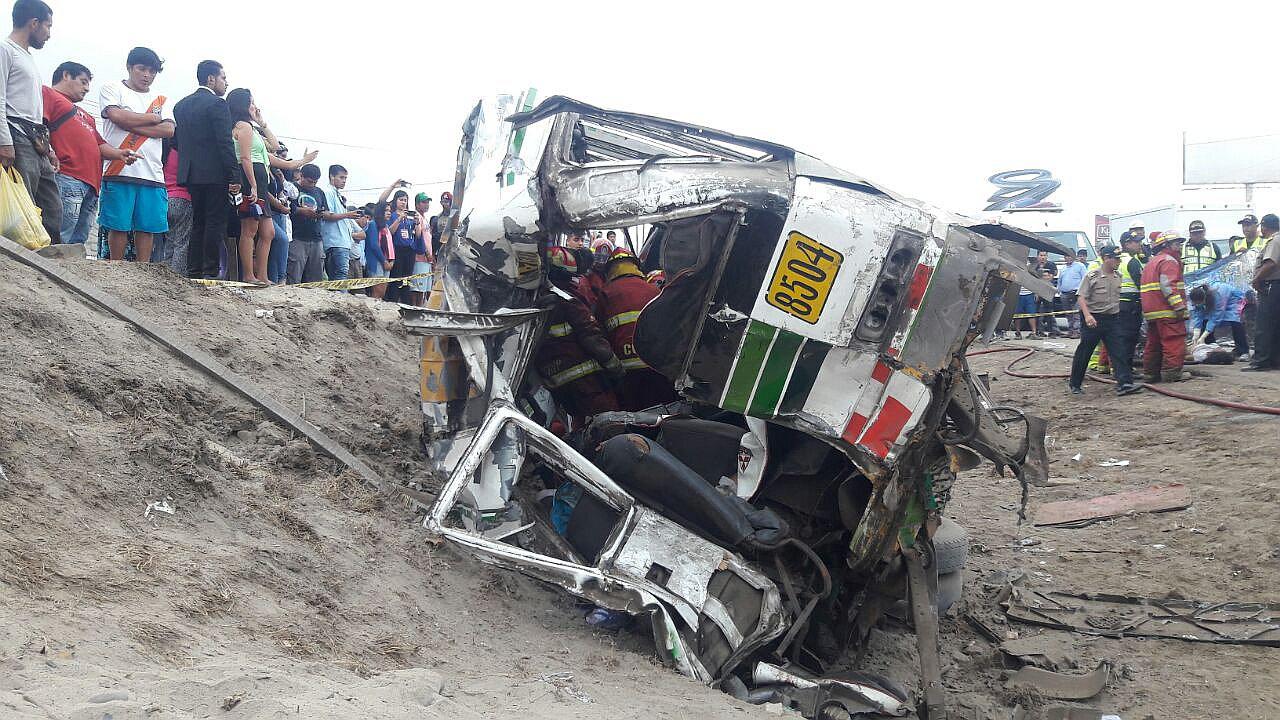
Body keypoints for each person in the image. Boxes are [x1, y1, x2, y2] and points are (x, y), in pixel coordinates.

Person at [43, 61, 138, 245]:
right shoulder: (48, 94)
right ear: (65, 75)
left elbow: (99, 144)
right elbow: (39, 125)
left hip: (92, 183)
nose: (87, 89)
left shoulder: (85, 115)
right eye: (83, 81)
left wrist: (120, 154)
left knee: (79, 239)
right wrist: (48, 152)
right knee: (62, 234)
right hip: (67, 175)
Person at [98, 47, 173, 262]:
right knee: (117, 225)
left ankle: (143, 271)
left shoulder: (160, 100)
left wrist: (130, 122)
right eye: (141, 69)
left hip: (152, 173)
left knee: (147, 227)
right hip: (119, 169)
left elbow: (168, 130)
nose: (147, 75)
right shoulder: (112, 88)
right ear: (130, 67)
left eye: (152, 71)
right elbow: (115, 115)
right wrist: (152, 119)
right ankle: (116, 268)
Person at [536, 245, 624, 422]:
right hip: (587, 382)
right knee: (610, 424)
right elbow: (591, 335)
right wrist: (615, 366)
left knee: (580, 427)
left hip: (556, 385)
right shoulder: (567, 301)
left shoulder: (535, 301)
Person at [173, 60, 239, 278]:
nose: (226, 82)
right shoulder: (218, 104)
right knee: (214, 222)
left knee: (198, 221)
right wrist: (234, 174)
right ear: (211, 78)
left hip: (190, 173)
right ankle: (210, 272)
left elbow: (177, 142)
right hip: (215, 173)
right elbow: (225, 142)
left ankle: (194, 269)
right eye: (223, 77)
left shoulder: (180, 105)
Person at [2, 0, 60, 242]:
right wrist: (4, 141)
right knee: (23, 205)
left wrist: (49, 149)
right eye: (47, 26)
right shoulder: (5, 50)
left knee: (52, 208)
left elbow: (33, 109)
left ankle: (53, 259)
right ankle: (24, 264)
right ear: (34, 23)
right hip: (15, 135)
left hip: (36, 139)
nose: (49, 33)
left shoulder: (26, 57)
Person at [594, 248, 678, 411]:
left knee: (637, 417)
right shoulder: (653, 290)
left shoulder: (605, 294)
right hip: (657, 365)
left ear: (611, 269)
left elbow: (599, 334)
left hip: (628, 373)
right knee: (668, 411)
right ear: (635, 266)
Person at [1068, 246, 1141, 396]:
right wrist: (1088, 316)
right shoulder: (1092, 276)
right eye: (1116, 258)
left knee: (1119, 351)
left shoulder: (1118, 276)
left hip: (1112, 319)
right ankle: (1075, 384)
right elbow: (1081, 297)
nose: (1118, 261)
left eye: (1119, 258)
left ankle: (1125, 384)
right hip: (1093, 319)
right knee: (1085, 352)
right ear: (1106, 258)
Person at [1140, 231, 1189, 383]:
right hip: (1167, 310)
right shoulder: (1169, 261)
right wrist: (1179, 306)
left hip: (1152, 312)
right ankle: (1172, 373)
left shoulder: (1152, 262)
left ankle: (1151, 373)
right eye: (1176, 243)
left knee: (1153, 343)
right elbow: (1169, 286)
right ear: (1166, 245)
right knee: (1173, 340)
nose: (1180, 247)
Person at [1243, 213, 1280, 372]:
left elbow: (1271, 263)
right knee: (1275, 325)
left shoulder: (1274, 241)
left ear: (1265, 227)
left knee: (1264, 324)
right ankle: (1273, 359)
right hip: (1275, 286)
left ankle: (1261, 361)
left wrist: (1256, 279)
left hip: (1271, 285)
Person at [318, 164, 360, 282]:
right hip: (334, 242)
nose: (344, 181)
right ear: (332, 176)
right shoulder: (328, 192)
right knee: (339, 276)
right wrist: (348, 215)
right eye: (341, 177)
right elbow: (326, 214)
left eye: (345, 178)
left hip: (342, 242)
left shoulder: (337, 194)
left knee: (341, 276)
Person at [287, 163, 326, 283]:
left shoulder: (319, 192)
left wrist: (321, 213)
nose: (312, 185)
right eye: (310, 181)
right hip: (297, 237)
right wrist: (302, 211)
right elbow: (286, 208)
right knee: (294, 276)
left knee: (316, 279)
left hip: (316, 238)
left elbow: (325, 210)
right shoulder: (291, 188)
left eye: (315, 182)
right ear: (301, 176)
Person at [1188, 283, 1248, 359]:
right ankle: (1210, 346)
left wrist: (1203, 336)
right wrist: (1196, 333)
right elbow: (1198, 315)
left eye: (1198, 303)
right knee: (1205, 320)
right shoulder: (1197, 299)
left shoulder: (1218, 296)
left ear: (1204, 299)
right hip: (1215, 303)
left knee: (1235, 321)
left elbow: (1216, 317)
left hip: (1233, 299)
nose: (1195, 304)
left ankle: (1243, 351)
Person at [161, 139, 189, 273]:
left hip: (166, 198)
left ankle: (166, 275)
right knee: (182, 243)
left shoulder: (166, 152)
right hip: (183, 198)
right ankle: (177, 276)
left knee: (169, 242)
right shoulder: (183, 153)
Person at [363, 202, 394, 300]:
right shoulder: (373, 224)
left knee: (382, 293)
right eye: (386, 211)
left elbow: (391, 246)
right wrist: (384, 261)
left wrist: (392, 261)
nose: (389, 213)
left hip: (387, 262)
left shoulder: (386, 227)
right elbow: (374, 245)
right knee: (376, 292)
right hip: (377, 262)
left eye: (390, 211)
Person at [1056, 251, 1086, 338]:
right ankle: (1070, 331)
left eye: (1069, 256)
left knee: (1076, 313)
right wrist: (1059, 290)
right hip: (1064, 294)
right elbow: (1059, 281)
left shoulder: (1080, 266)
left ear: (1073, 256)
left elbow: (1085, 279)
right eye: (1065, 256)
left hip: (1076, 293)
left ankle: (1077, 331)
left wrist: (1082, 292)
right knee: (1068, 313)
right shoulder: (1063, 268)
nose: (1067, 258)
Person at [1031, 251, 1059, 336]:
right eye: (1041, 255)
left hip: (1048, 291)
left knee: (1049, 312)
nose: (1043, 257)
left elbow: (1051, 277)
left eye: (1044, 255)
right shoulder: (1034, 266)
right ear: (1037, 256)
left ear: (1047, 256)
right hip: (1037, 291)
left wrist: (1042, 278)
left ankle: (1052, 331)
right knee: (1037, 312)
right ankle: (1040, 331)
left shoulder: (1051, 265)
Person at [428, 190, 452, 260]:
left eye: (447, 202)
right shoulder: (436, 218)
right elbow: (432, 236)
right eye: (443, 202)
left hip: (452, 251)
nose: (444, 204)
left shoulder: (456, 218)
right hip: (440, 251)